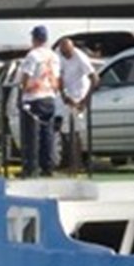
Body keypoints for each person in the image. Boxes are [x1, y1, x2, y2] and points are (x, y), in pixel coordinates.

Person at [16, 25, 60, 177]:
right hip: (50, 97)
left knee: (31, 135)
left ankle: (30, 168)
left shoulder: (33, 55)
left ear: (34, 39)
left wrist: (23, 89)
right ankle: (48, 167)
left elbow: (26, 76)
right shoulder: (54, 56)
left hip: (34, 98)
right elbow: (57, 78)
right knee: (47, 134)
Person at [57, 37, 99, 171]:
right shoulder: (59, 55)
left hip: (80, 96)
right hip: (68, 97)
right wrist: (64, 95)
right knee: (66, 131)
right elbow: (59, 77)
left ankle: (78, 164)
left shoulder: (80, 57)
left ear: (72, 48)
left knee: (76, 132)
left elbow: (94, 78)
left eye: (67, 53)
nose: (66, 55)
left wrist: (84, 101)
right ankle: (70, 163)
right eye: (63, 53)